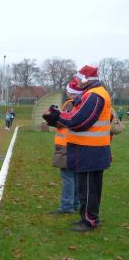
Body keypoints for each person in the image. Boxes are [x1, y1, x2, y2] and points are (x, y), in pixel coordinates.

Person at [43, 65, 112, 231]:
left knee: (89, 188)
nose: (76, 81)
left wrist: (57, 116)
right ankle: (88, 218)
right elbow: (77, 119)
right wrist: (57, 117)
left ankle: (89, 221)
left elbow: (78, 121)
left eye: (79, 78)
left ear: (86, 80)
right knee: (87, 187)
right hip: (89, 149)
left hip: (91, 150)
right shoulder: (93, 93)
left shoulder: (94, 95)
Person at [51, 80, 82, 216]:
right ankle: (75, 204)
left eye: (69, 90)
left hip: (66, 144)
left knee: (68, 176)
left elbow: (66, 122)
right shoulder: (81, 103)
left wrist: (53, 117)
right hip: (75, 143)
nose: (67, 92)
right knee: (74, 176)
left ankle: (67, 206)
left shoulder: (70, 104)